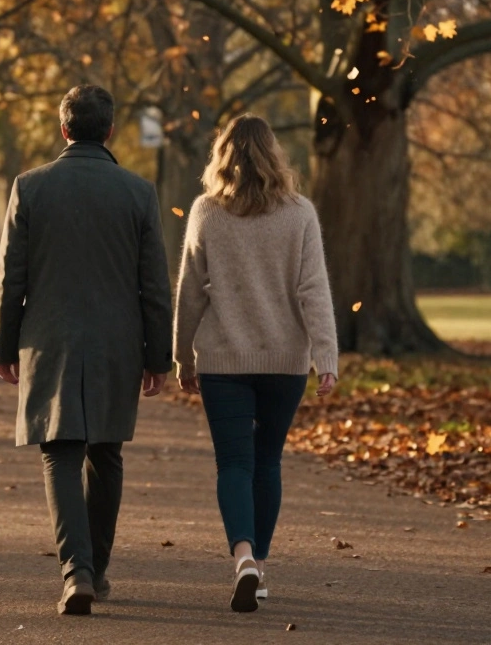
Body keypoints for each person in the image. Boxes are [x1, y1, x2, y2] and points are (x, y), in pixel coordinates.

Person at [0, 85, 173, 616]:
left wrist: (5, 344)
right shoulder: (138, 193)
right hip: (118, 340)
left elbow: (11, 277)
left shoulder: (30, 187)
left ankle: (77, 572)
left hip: (49, 339)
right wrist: (157, 356)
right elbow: (154, 284)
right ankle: (97, 566)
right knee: (106, 453)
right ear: (110, 130)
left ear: (64, 129)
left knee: (60, 452)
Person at [173, 114, 339, 613]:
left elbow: (189, 294)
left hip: (223, 359)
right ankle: (260, 568)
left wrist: (181, 357)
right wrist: (325, 355)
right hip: (285, 360)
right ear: (274, 156)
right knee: (266, 460)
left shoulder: (206, 211)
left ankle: (242, 556)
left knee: (233, 462)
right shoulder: (300, 213)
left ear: (222, 156)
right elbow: (314, 288)